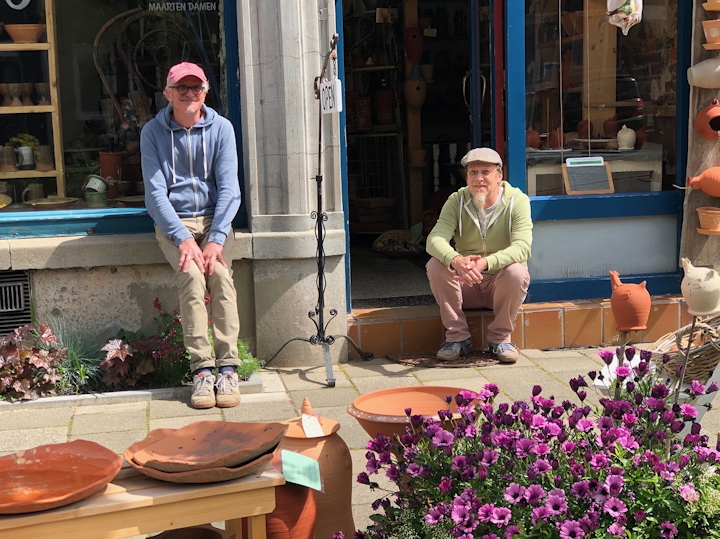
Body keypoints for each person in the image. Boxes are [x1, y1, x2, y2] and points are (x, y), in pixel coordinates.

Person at [141, 62, 242, 409]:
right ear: (168, 93)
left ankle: (228, 369)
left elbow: (230, 189)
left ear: (205, 92)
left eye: (195, 87)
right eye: (181, 88)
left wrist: (215, 239)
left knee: (222, 276)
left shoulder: (222, 129)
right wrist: (183, 239)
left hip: (216, 219)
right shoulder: (152, 133)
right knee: (192, 275)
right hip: (175, 223)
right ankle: (202, 371)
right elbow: (155, 195)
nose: (189, 94)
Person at [425, 147, 532, 363]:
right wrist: (456, 260)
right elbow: (434, 239)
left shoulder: (517, 201)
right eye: (473, 172)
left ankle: (501, 339)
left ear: (499, 175)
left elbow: (523, 247)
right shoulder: (457, 200)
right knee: (436, 264)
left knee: (517, 271)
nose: (479, 178)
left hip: (499, 287)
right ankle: (457, 338)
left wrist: (486, 262)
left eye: (486, 172)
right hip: (465, 284)